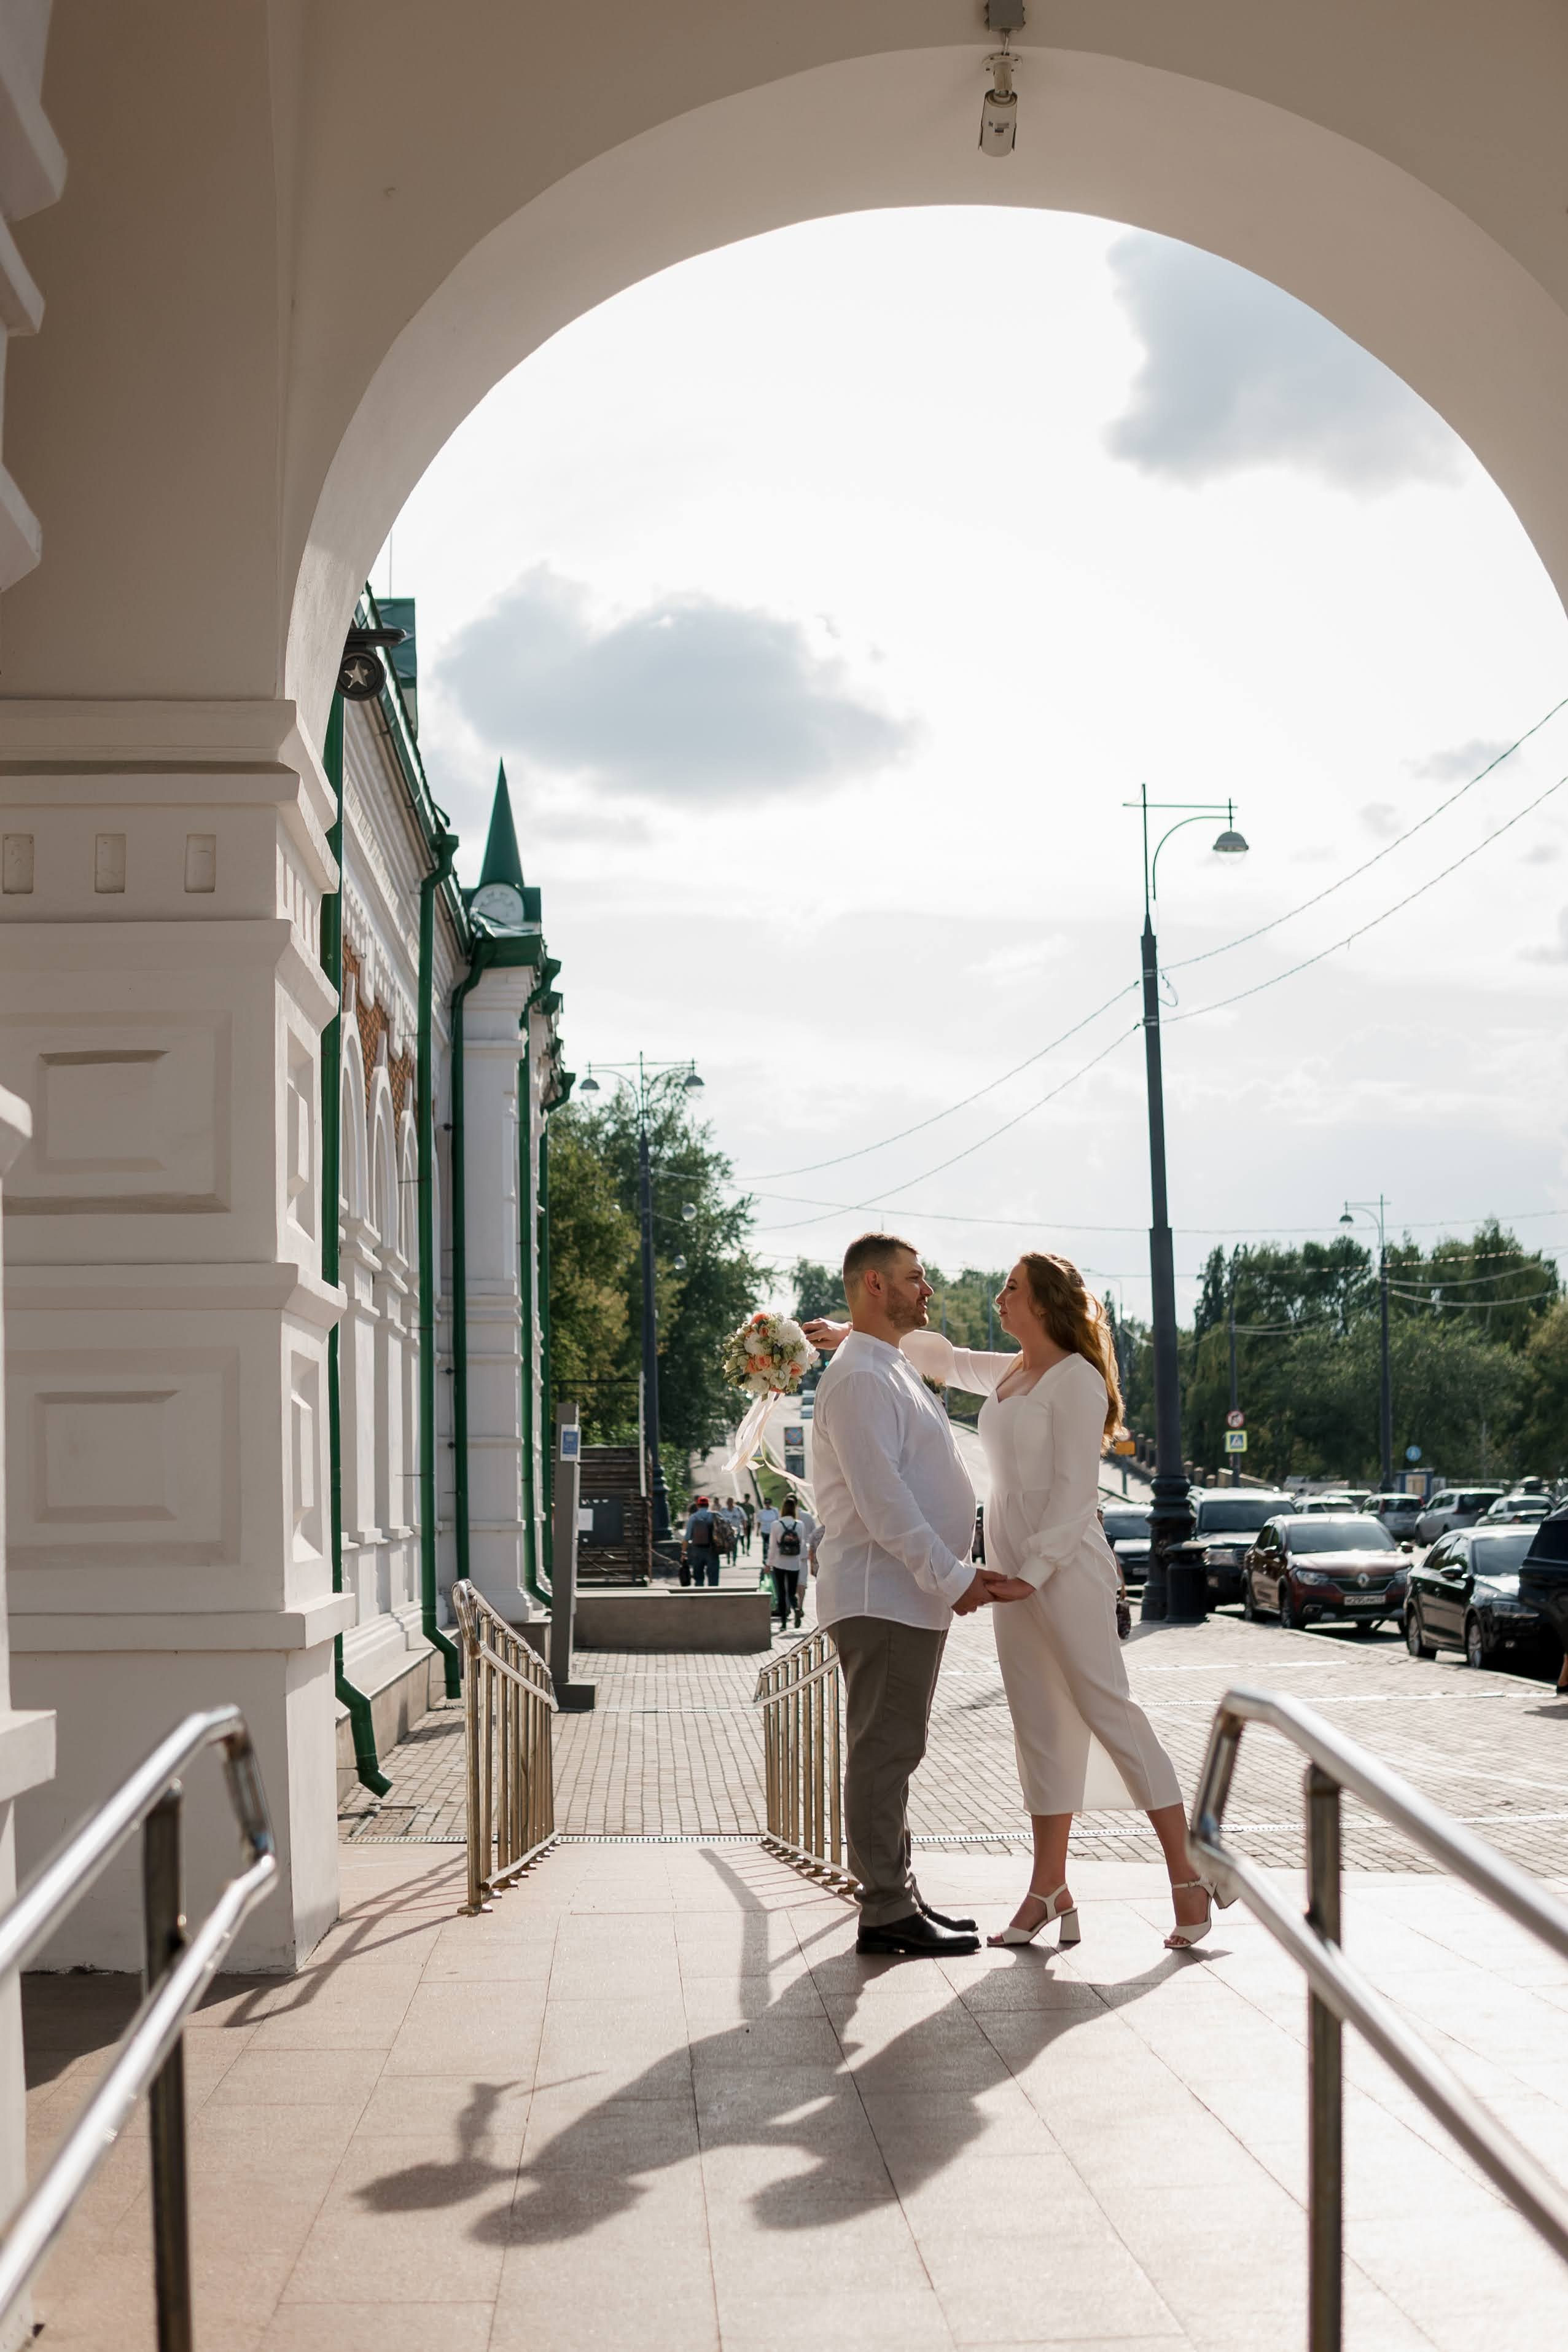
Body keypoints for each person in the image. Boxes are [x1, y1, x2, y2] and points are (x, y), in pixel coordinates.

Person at [816, 1252, 1221, 1952]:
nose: (998, 1298)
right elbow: (938, 1357)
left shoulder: (1077, 1377)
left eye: (1010, 1288)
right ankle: (1047, 1888)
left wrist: (1034, 1572)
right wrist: (849, 1332)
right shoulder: (1010, 1370)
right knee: (1037, 1724)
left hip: (1062, 1569)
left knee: (1109, 1711)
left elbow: (1076, 1495)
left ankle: (1187, 1874)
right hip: (1011, 1571)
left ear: (1045, 1302)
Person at [805, 1233, 990, 1958]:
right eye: (915, 1278)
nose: (928, 1289)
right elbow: (884, 1502)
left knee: (895, 1749)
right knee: (884, 1751)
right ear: (876, 1285)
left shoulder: (885, 1364)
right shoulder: (860, 1377)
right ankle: (884, 1906)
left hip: (904, 1596)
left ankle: (898, 1893)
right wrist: (953, 1576)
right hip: (884, 1593)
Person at [766, 1499, 821, 1630]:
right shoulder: (799, 1524)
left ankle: (784, 1622)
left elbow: (773, 1546)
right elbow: (801, 1544)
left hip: (779, 1563)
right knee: (792, 1592)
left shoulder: (776, 1524)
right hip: (795, 1563)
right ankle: (796, 1608)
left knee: (781, 1592)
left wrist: (768, 1564)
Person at [681, 1494, 722, 1588]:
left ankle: (700, 1594)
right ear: (708, 1505)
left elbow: (687, 1538)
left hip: (697, 1550)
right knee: (713, 1577)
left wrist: (683, 1553)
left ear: (698, 1505)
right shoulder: (715, 1515)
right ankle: (714, 1594)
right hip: (713, 1549)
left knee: (698, 1577)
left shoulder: (693, 1518)